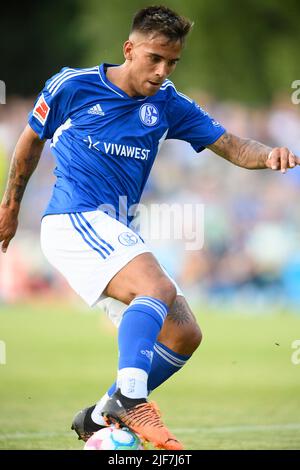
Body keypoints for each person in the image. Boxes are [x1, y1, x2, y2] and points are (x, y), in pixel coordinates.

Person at [0, 5, 299, 450]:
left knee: (184, 333)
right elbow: (29, 141)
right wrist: (10, 206)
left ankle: (100, 416)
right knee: (155, 287)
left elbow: (233, 146)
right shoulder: (73, 85)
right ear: (129, 49)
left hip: (115, 228)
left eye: (172, 61)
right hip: (72, 220)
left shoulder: (168, 103)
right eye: (155, 58)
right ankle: (132, 398)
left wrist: (270, 155)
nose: (162, 71)